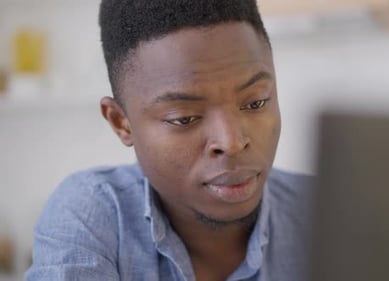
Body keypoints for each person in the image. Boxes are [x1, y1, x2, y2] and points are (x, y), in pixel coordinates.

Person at [26, 1, 313, 280]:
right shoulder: (91, 215)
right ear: (121, 122)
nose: (232, 142)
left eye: (256, 103)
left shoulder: (327, 212)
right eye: (184, 118)